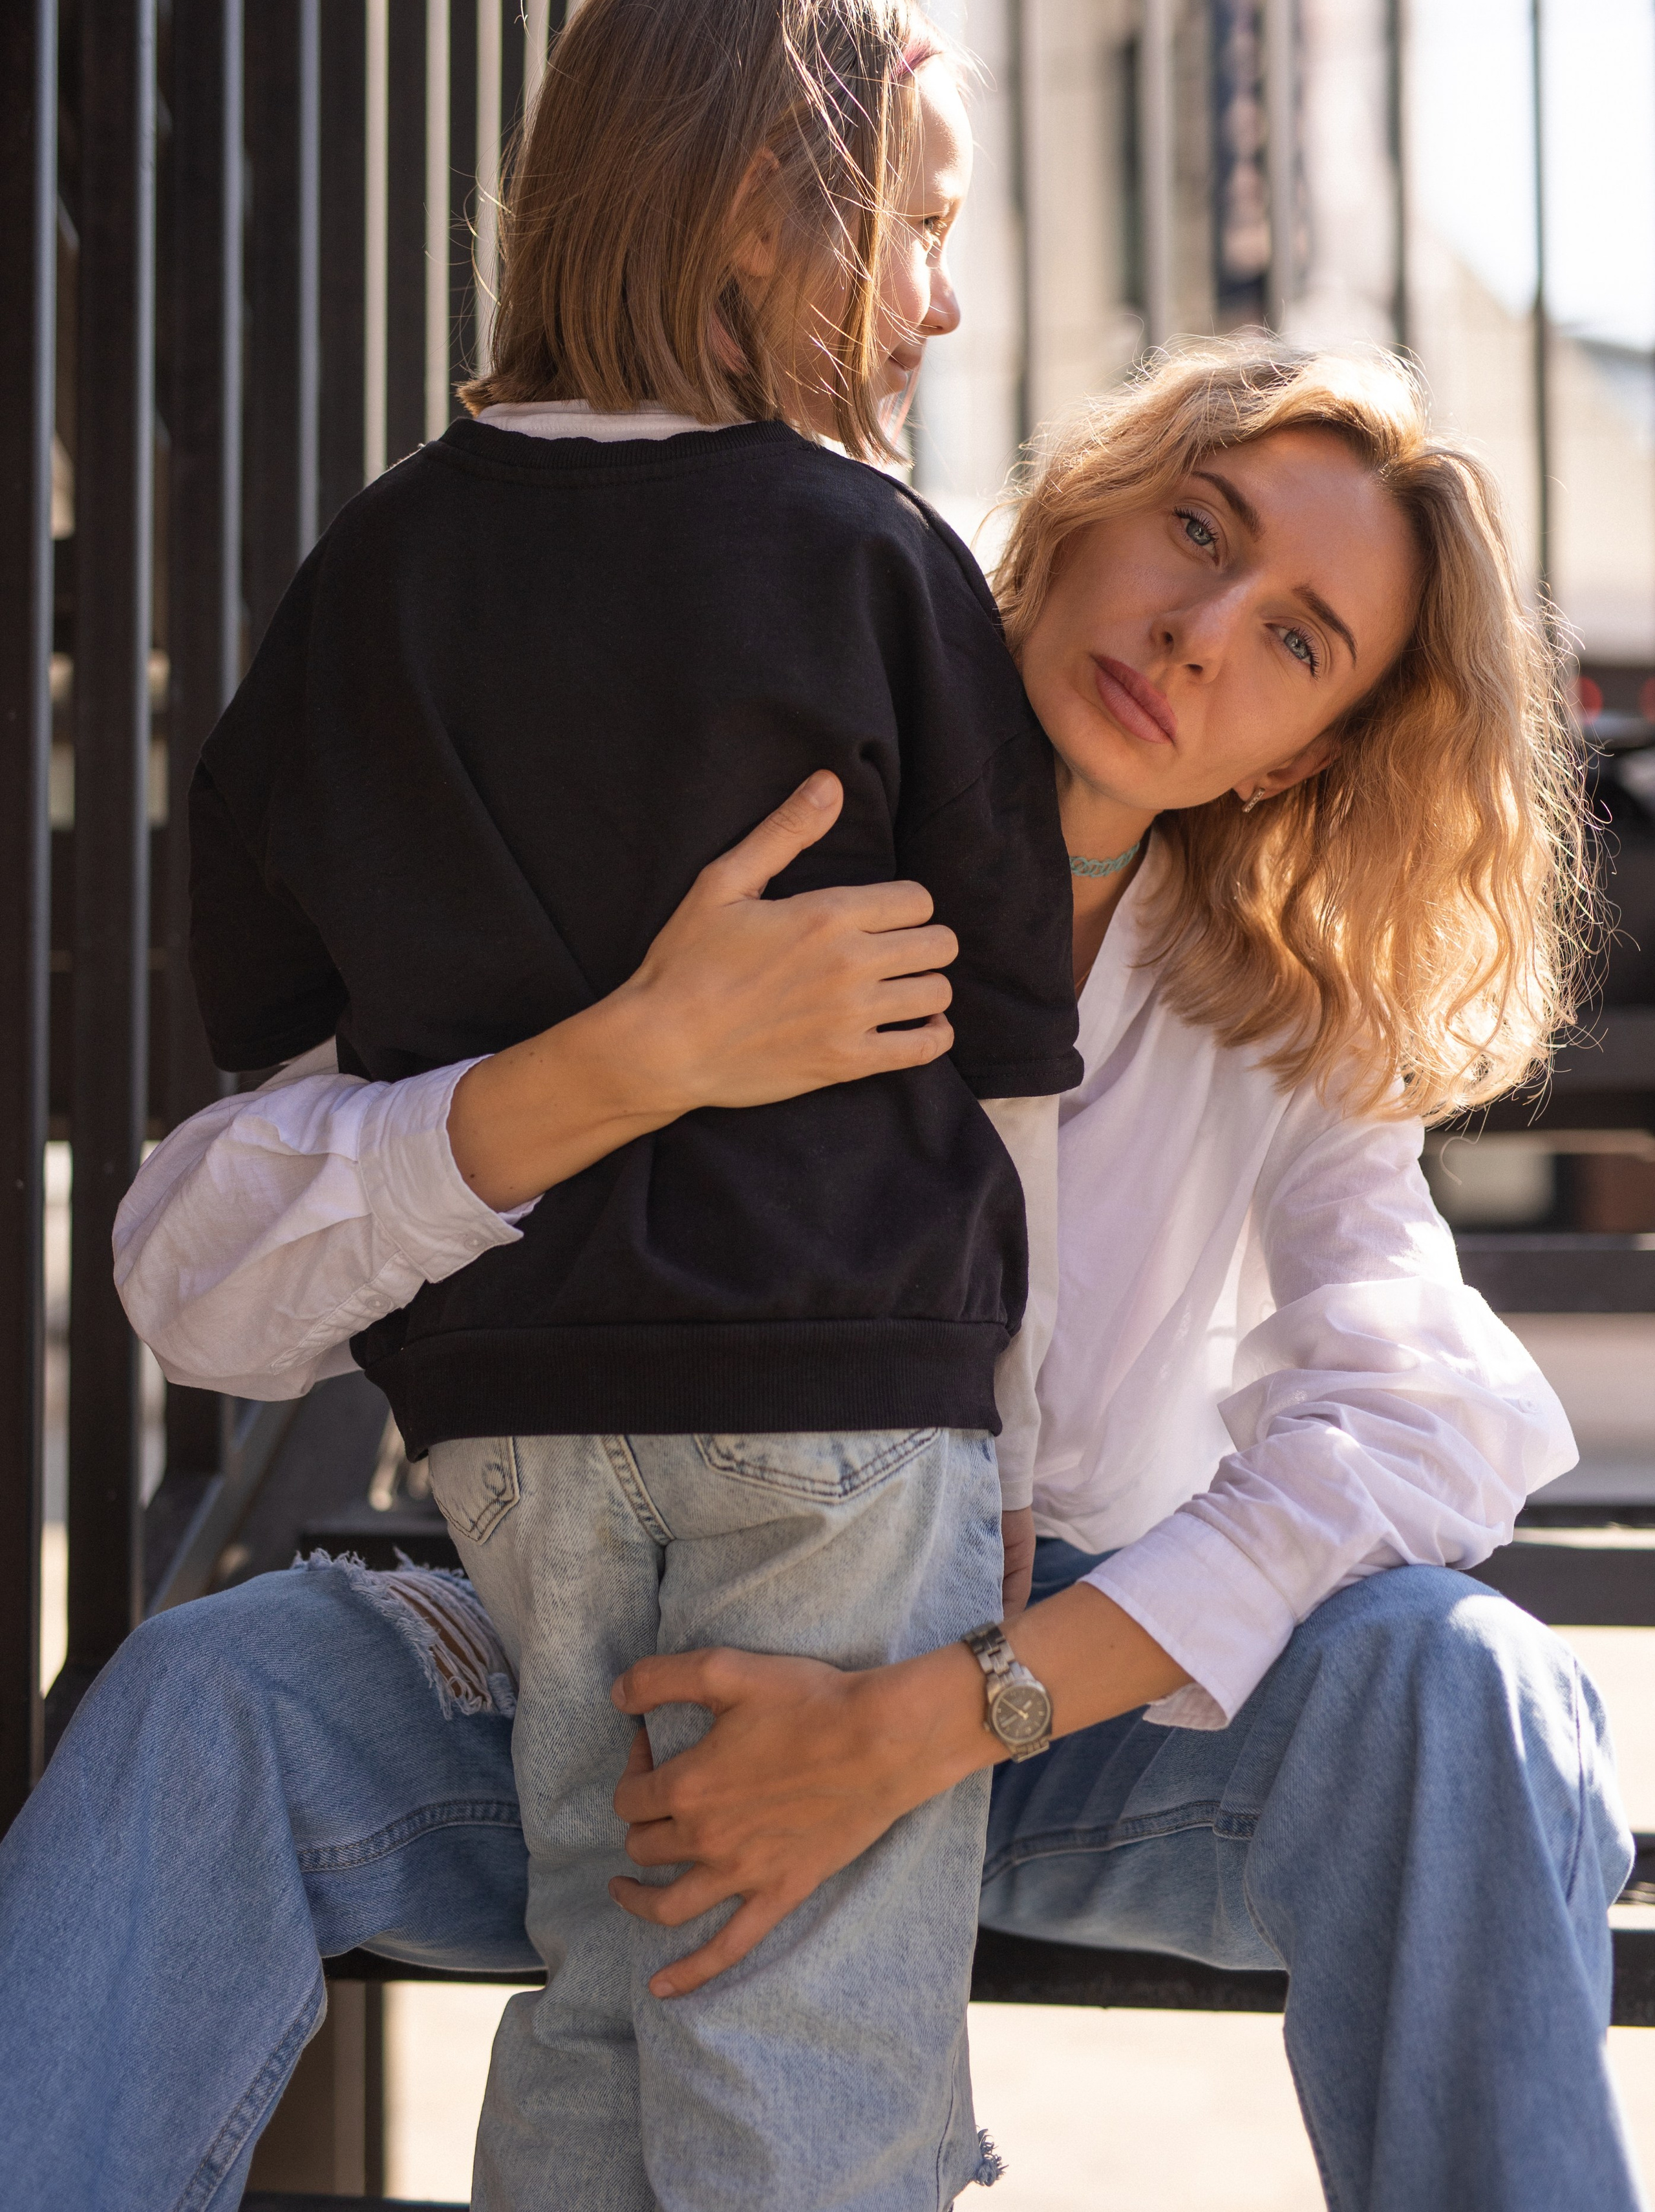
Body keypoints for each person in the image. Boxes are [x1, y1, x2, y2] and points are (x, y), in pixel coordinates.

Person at [0, 344, 1638, 2212]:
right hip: (608, 1668)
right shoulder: (729, 796)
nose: (1198, 632)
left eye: (1297, 642)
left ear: (1316, 749)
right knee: (215, 1701)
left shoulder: (1268, 1004)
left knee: (1476, 1693)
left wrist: (933, 1719)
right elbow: (193, 1278)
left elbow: (1416, 1421)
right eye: (1199, 527)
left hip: (1051, 1719)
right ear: (1089, 502)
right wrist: (618, 1059)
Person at [176, 0, 1084, 2211]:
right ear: (764, 204)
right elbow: (1004, 1049)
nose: (940, 304)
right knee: (812, 2025)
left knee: (608, 1975)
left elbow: (266, 994)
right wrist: (1019, 1428)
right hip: (847, 1407)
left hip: (516, 1426)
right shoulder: (877, 552)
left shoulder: (367, 571)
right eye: (923, 225)